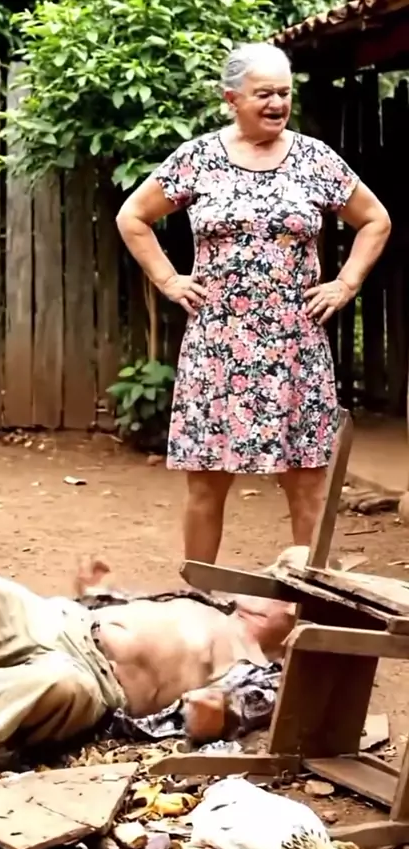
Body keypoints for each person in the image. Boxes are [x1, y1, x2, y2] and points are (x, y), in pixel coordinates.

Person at [116, 42, 391, 564]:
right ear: (232, 99)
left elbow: (375, 219)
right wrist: (168, 279)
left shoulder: (315, 159)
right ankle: (200, 595)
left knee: (307, 482)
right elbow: (133, 216)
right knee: (206, 482)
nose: (277, 103)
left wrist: (346, 283)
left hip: (295, 342)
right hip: (218, 343)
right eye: (264, 93)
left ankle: (314, 598)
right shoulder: (198, 159)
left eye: (284, 93)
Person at [0, 550, 300, 757]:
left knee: (54, 682)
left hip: (95, 683)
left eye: (276, 577)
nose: (262, 576)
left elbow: (218, 721)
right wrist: (100, 591)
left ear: (295, 609)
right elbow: (136, 610)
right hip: (64, 621)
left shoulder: (262, 673)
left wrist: (211, 716)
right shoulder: (207, 603)